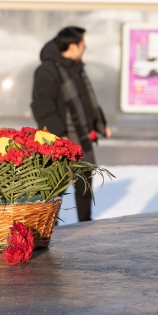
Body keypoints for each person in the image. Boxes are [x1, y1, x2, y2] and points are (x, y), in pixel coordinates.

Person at [30, 26, 109, 222]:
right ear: (72, 47)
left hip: (80, 136)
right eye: (82, 44)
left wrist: (100, 123)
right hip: (61, 139)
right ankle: (49, 227)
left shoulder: (75, 67)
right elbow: (42, 107)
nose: (85, 47)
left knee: (84, 185)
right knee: (55, 187)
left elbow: (87, 100)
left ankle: (85, 224)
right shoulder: (46, 70)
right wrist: (60, 134)